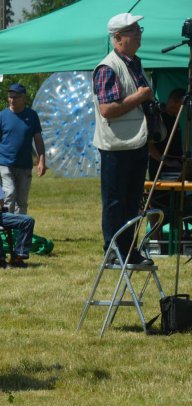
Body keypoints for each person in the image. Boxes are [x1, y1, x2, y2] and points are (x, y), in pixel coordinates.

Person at [93, 12, 154, 266]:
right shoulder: (108, 67)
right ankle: (114, 251)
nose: (139, 34)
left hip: (136, 143)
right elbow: (107, 109)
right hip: (116, 146)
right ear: (117, 38)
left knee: (133, 201)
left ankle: (130, 250)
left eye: (140, 29)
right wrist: (140, 97)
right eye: (134, 31)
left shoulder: (135, 63)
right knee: (116, 201)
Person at [0, 83, 47, 214]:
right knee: (9, 194)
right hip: (5, 163)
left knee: (22, 200)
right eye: (10, 96)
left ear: (23, 98)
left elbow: (38, 140)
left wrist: (41, 160)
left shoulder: (32, 116)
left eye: (15, 97)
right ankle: (6, 227)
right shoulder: (2, 116)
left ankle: (20, 229)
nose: (12, 99)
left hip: (25, 164)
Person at [148, 88, 186, 181]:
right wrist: (166, 162)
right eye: (182, 105)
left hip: (175, 169)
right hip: (161, 171)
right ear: (176, 103)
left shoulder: (174, 118)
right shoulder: (158, 118)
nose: (183, 109)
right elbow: (149, 146)